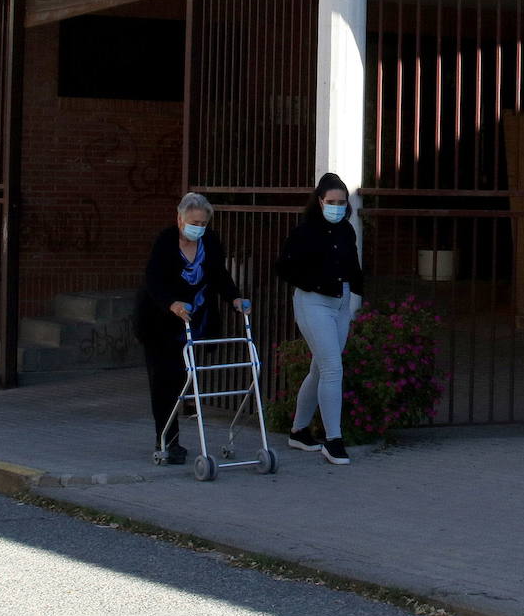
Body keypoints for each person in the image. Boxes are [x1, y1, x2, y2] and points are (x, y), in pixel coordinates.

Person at [134, 192, 249, 465]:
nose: (197, 227)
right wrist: (171, 303)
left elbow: (219, 274)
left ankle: (175, 434)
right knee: (164, 381)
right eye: (192, 221)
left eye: (203, 222)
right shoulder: (165, 241)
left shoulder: (209, 241)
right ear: (179, 219)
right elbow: (153, 278)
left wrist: (234, 297)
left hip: (194, 319)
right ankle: (167, 441)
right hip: (159, 321)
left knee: (183, 378)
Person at [275, 172, 364, 465]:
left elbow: (353, 265)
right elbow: (285, 268)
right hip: (313, 303)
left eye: (342, 202)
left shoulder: (346, 231)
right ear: (319, 201)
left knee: (320, 369)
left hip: (341, 303)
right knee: (332, 368)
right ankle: (333, 439)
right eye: (331, 202)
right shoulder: (305, 232)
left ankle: (299, 430)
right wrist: (315, 283)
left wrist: (357, 292)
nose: (337, 207)